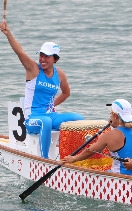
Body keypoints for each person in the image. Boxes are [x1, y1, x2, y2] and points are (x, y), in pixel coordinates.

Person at [1, 21, 84, 159]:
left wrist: (52, 105)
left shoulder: (60, 74)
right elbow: (19, 52)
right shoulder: (33, 69)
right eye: (41, 55)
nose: (42, 59)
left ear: (55, 59)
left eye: (47, 56)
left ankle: (72, 156)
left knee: (78, 119)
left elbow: (66, 93)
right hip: (32, 118)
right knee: (45, 122)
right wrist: (8, 33)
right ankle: (44, 159)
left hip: (50, 115)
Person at [62, 99, 132, 177]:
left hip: (121, 179)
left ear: (115, 115)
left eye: (110, 113)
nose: (110, 116)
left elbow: (89, 151)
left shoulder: (108, 136)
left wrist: (73, 158)